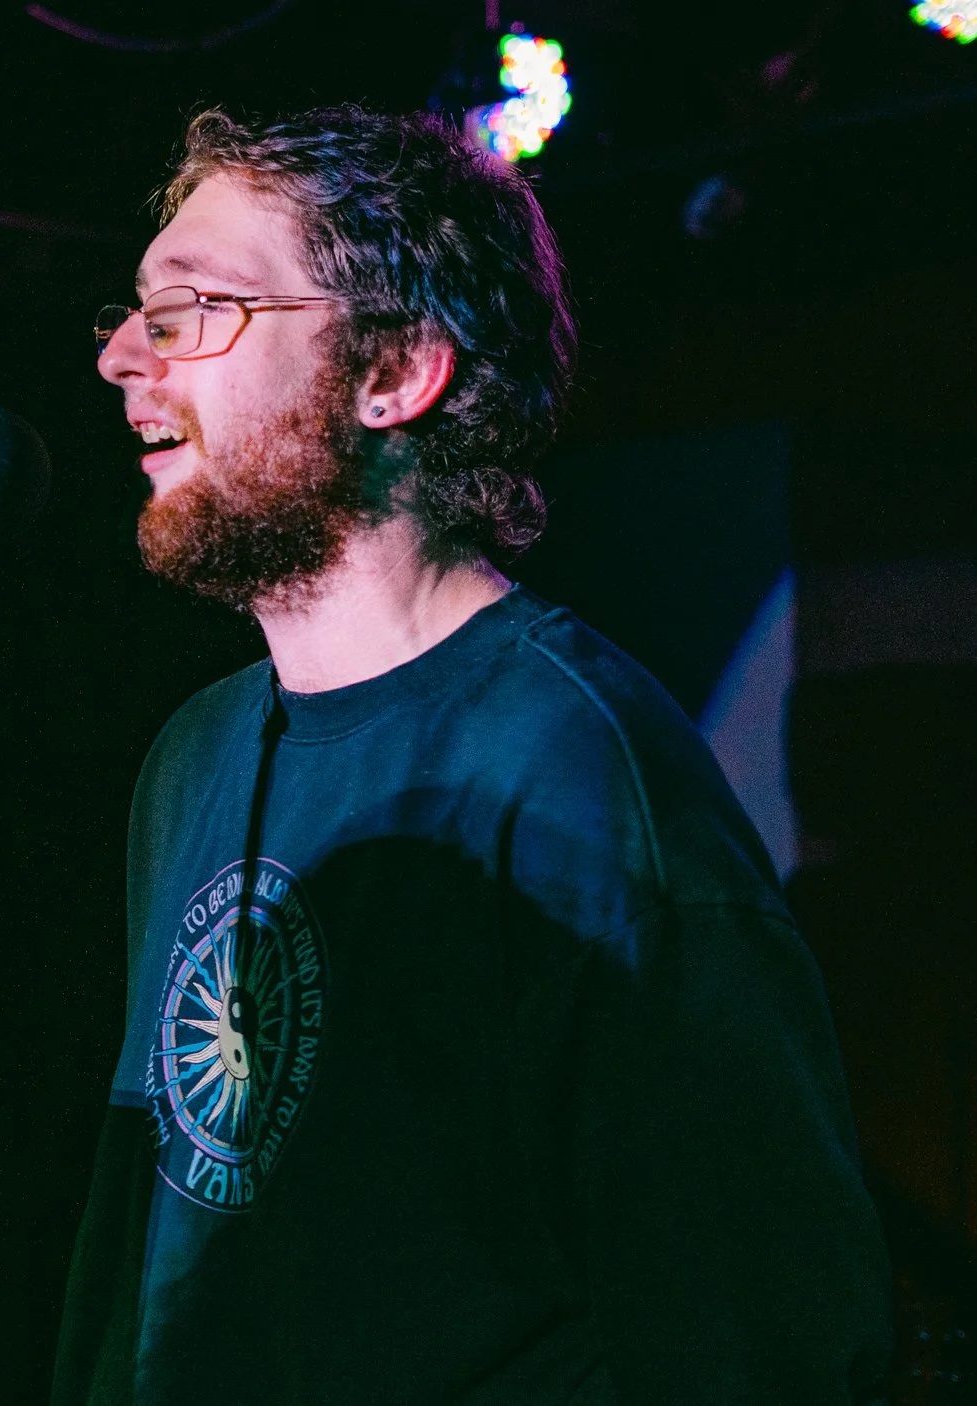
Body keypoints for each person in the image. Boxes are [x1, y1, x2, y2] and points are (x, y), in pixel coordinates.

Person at [53, 107, 889, 1403]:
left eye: (191, 310)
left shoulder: (575, 771)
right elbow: (152, 1254)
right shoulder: (193, 757)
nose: (122, 356)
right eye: (134, 314)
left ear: (395, 371)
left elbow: (758, 1332)